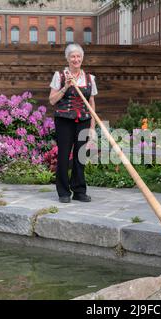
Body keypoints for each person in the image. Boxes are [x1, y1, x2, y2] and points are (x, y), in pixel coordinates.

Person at [49, 43, 97, 203]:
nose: (76, 59)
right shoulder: (60, 76)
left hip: (83, 120)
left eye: (78, 56)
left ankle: (79, 190)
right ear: (68, 59)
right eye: (72, 56)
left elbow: (91, 103)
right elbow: (52, 100)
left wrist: (92, 127)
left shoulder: (90, 78)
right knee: (63, 155)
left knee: (80, 155)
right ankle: (63, 192)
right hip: (64, 121)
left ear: (82, 59)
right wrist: (66, 87)